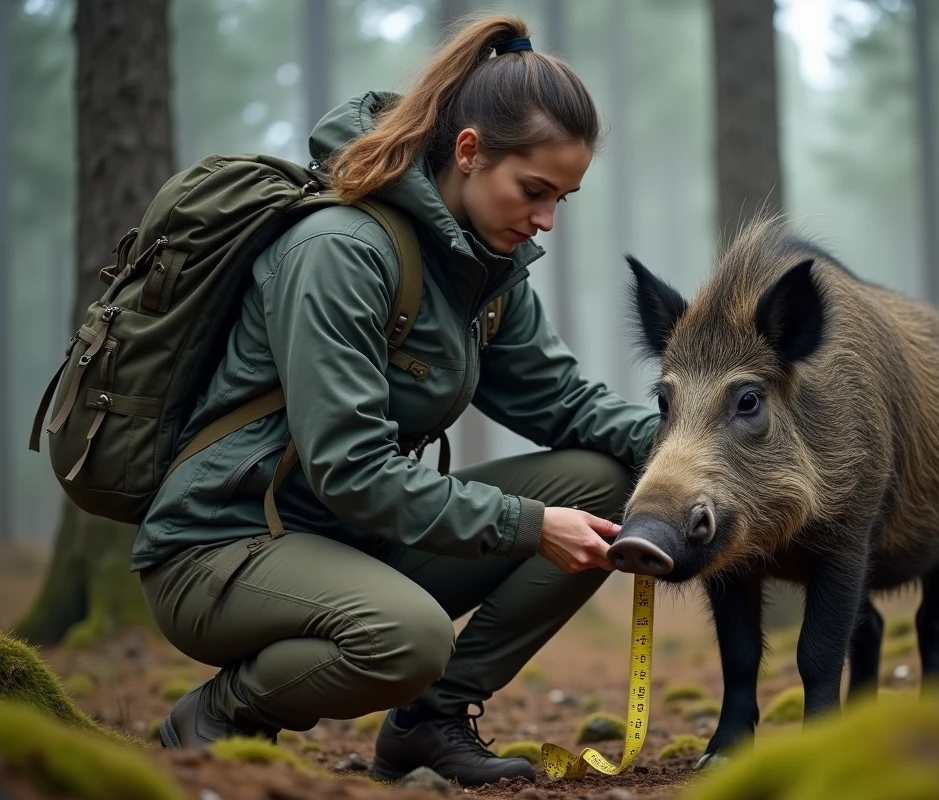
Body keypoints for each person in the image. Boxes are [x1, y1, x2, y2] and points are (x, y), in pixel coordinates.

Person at [133, 13, 658, 788]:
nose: (545, 219)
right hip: (223, 545)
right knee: (407, 638)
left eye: (563, 200)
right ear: (470, 151)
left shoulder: (484, 267)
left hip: (354, 538)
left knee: (605, 483)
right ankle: (218, 717)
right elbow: (350, 467)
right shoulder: (341, 250)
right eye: (534, 190)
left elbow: (563, 402)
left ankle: (428, 724)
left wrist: (689, 452)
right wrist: (527, 524)